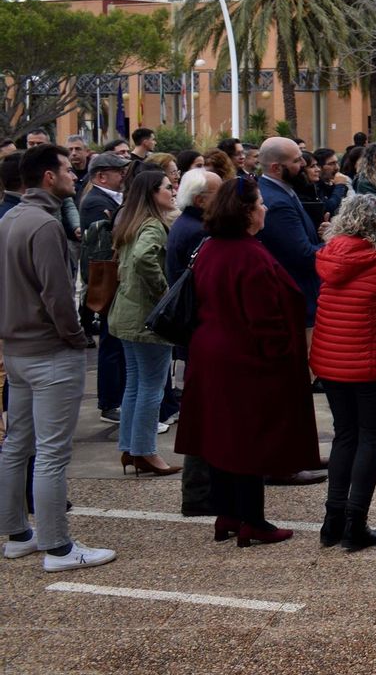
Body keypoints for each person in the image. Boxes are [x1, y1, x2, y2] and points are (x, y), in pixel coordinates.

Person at [175, 176, 320, 546]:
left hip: (212, 353)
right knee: (247, 441)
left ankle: (229, 512)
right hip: (244, 359)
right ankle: (252, 519)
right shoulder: (250, 255)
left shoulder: (211, 248)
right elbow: (265, 319)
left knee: (222, 439)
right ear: (246, 212)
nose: (265, 208)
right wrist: (282, 363)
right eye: (259, 204)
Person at [0, 144, 113, 572]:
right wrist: (75, 336)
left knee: (17, 446)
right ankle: (58, 546)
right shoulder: (43, 225)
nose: (72, 175)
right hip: (48, 350)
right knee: (50, 453)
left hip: (18, 348)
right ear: (49, 176)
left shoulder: (11, 217)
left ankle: (17, 534)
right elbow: (58, 295)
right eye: (66, 169)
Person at [310, 194, 376, 551]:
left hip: (330, 360)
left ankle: (332, 520)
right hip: (370, 363)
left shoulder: (328, 258)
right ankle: (356, 522)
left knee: (345, 436)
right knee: (371, 439)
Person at [107, 170, 179, 476]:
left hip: (126, 314)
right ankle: (145, 451)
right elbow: (142, 259)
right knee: (150, 387)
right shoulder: (152, 225)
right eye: (166, 187)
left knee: (136, 385)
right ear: (152, 193)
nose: (173, 190)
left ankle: (132, 448)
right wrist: (165, 292)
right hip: (145, 318)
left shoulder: (131, 221)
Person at [168, 169, 221, 515]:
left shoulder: (188, 228)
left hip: (195, 336)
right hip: (199, 336)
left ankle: (202, 491)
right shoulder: (195, 232)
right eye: (218, 193)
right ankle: (199, 494)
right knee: (204, 417)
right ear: (201, 200)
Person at [79, 152, 129, 424]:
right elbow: (103, 247)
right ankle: (110, 402)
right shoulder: (95, 202)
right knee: (111, 343)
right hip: (108, 280)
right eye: (117, 171)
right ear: (101, 176)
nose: (123, 175)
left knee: (116, 341)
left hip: (111, 278)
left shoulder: (108, 199)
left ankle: (114, 398)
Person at [256, 137, 325, 325]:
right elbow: (303, 255)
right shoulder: (276, 202)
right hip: (297, 302)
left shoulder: (283, 191)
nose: (303, 164)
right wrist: (334, 242)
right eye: (296, 161)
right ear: (276, 168)